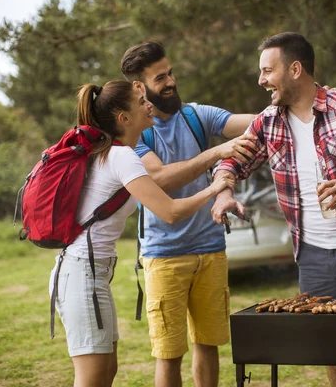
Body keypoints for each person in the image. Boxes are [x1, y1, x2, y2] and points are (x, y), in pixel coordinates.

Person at [211, 32, 336, 387]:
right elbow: (232, 162)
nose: (261, 80)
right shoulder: (268, 121)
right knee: (330, 346)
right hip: (312, 254)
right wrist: (223, 192)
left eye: (268, 70)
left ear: (295, 69)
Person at [49, 81, 235, 387]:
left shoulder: (118, 153)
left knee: (107, 372)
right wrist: (214, 188)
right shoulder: (121, 157)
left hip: (92, 274)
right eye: (140, 102)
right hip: (81, 273)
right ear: (124, 118)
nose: (148, 103)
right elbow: (171, 211)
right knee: (92, 379)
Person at [120, 41, 257, 387]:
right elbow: (159, 179)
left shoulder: (198, 116)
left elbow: (253, 124)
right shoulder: (134, 134)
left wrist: (290, 99)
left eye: (171, 73)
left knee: (208, 346)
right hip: (164, 257)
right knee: (169, 355)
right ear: (139, 86)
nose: (171, 82)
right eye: (160, 77)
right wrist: (215, 155)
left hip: (211, 250)